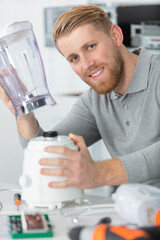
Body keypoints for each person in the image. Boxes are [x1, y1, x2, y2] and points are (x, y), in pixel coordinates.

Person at [0, 5, 160, 191]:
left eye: (91, 47)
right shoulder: (95, 101)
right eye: (74, 58)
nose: (86, 65)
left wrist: (101, 173)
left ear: (115, 36)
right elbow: (44, 154)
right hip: (135, 210)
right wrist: (23, 113)